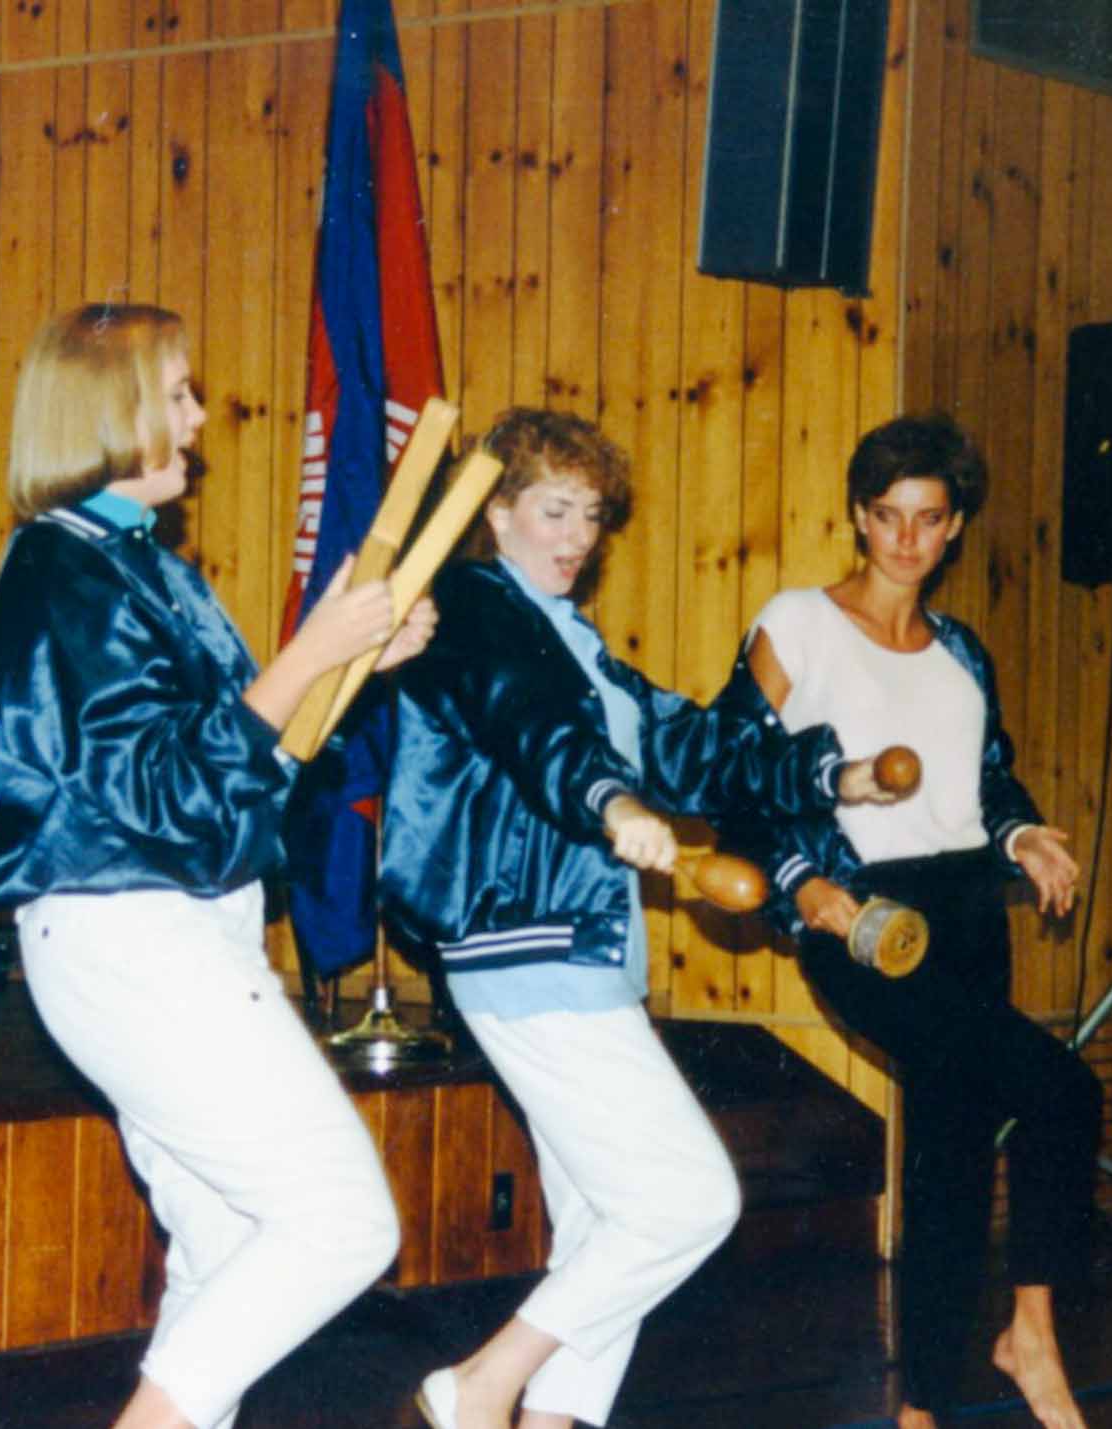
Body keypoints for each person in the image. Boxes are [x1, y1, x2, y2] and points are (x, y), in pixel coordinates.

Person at [0, 302, 437, 1429]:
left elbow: (239, 756)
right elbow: (169, 793)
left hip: (174, 929)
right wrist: (310, 654)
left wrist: (347, 665)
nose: (197, 418)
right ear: (110, 411)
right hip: (133, 934)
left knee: (227, 1245)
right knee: (342, 1221)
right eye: (175, 394)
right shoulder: (66, 574)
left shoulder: (133, 564)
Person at [382, 407, 899, 1429]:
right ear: (496, 512)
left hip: (579, 952)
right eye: (554, 510)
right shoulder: (476, 609)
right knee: (685, 1201)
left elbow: (686, 744)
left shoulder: (571, 638)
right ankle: (479, 1385)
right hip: (524, 943)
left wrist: (828, 775)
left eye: (592, 515)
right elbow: (531, 726)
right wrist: (611, 803)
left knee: (602, 1226)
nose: (577, 535)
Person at [722, 412, 1099, 1429]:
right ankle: (1030, 1337)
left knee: (951, 1149)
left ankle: (922, 1405)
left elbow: (987, 784)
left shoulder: (961, 651)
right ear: (858, 515)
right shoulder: (797, 623)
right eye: (887, 515)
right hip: (864, 915)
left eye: (928, 519)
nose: (905, 538)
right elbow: (732, 774)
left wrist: (1022, 834)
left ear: (955, 527)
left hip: (968, 911)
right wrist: (801, 883)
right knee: (1063, 1090)